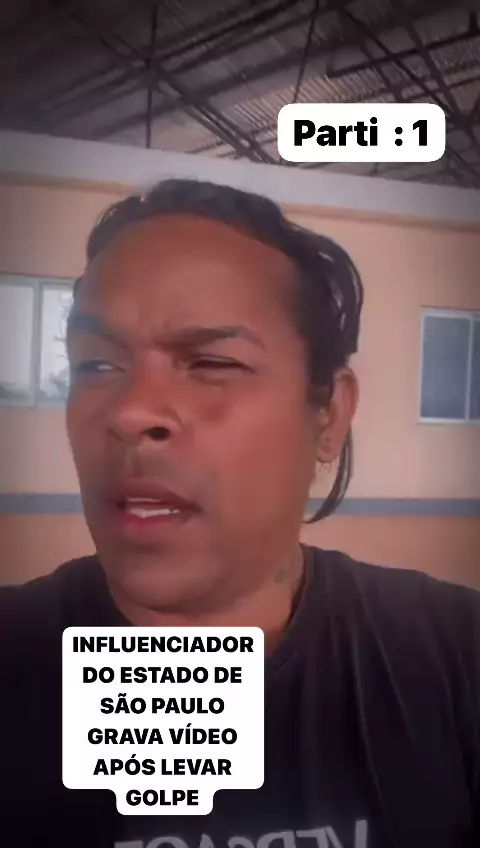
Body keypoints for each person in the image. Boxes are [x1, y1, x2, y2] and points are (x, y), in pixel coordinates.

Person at [1, 179, 479, 848]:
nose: (131, 412)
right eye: (96, 365)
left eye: (211, 362)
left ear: (329, 414)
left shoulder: (454, 656)